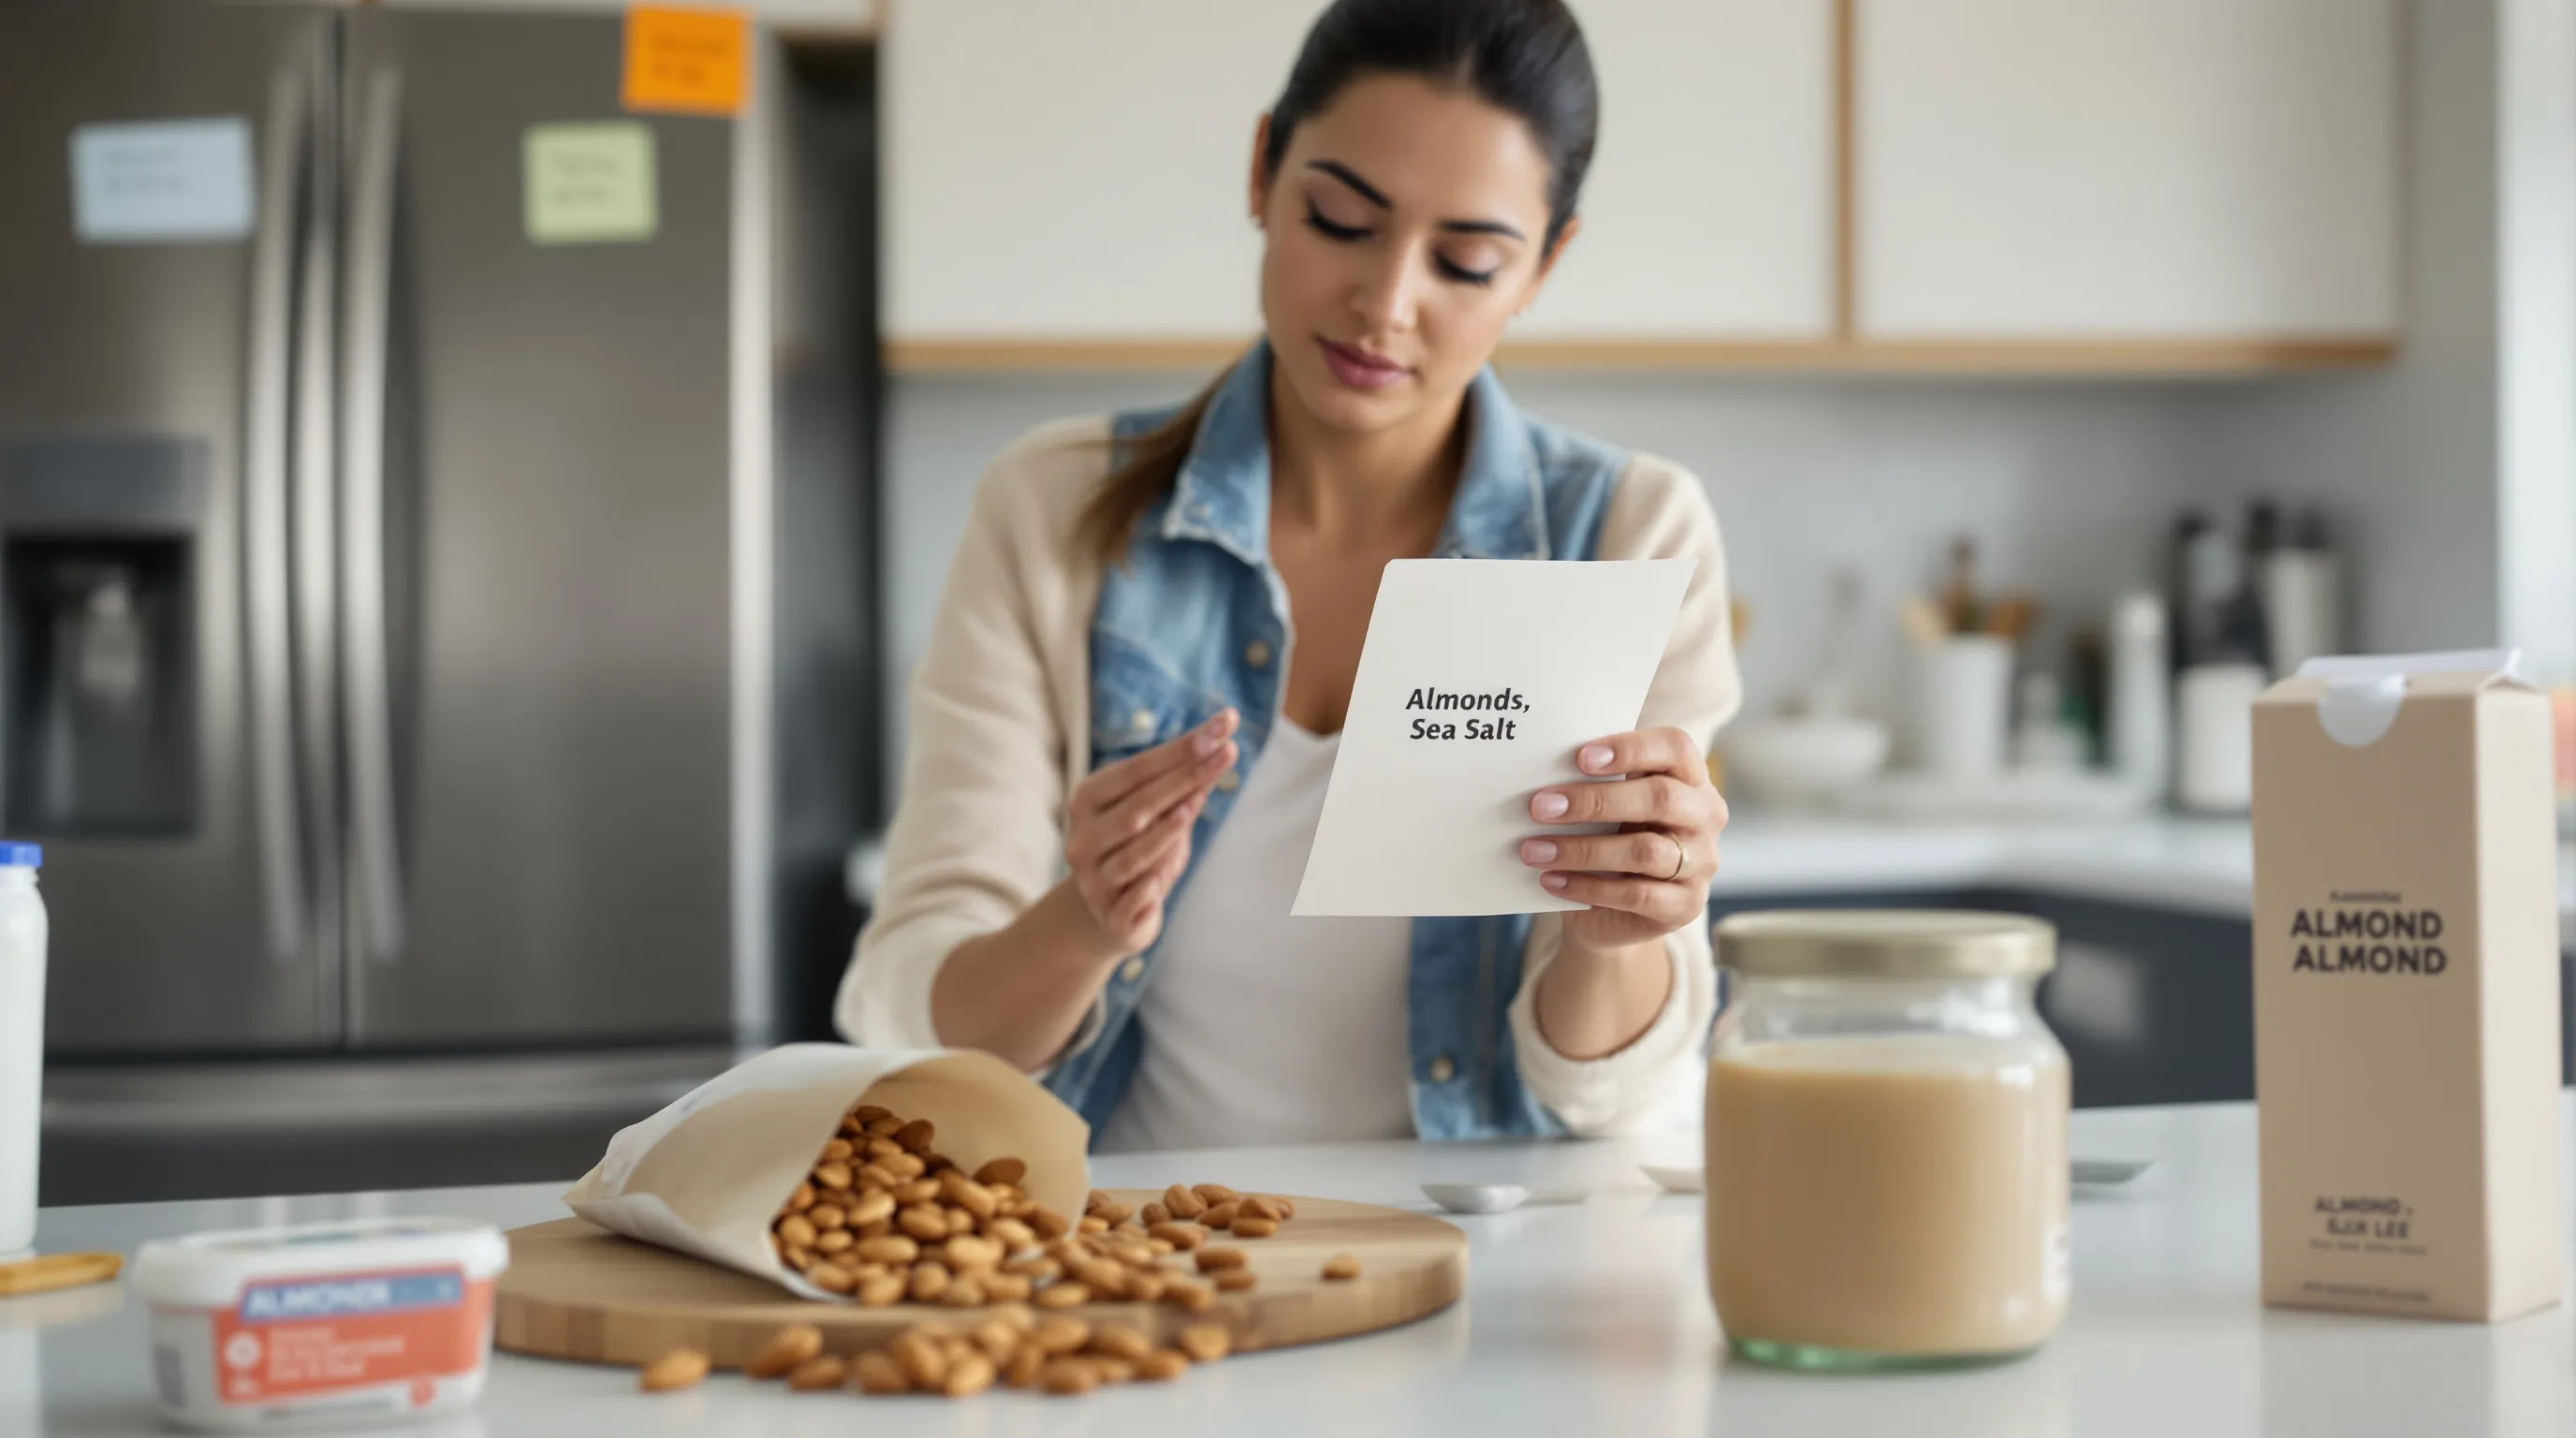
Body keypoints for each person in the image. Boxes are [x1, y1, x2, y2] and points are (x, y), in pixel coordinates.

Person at [840, 0, 1741, 1149]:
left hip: (1495, 1266)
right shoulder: (1056, 509)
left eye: (1465, 261)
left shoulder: (1632, 530)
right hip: (1140, 1271)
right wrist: (1084, 922)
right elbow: (905, 1017)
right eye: (1340, 219)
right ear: (1263, 171)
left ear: (1542, 266)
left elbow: (1605, 1098)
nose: (1387, 303)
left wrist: (1624, 938)